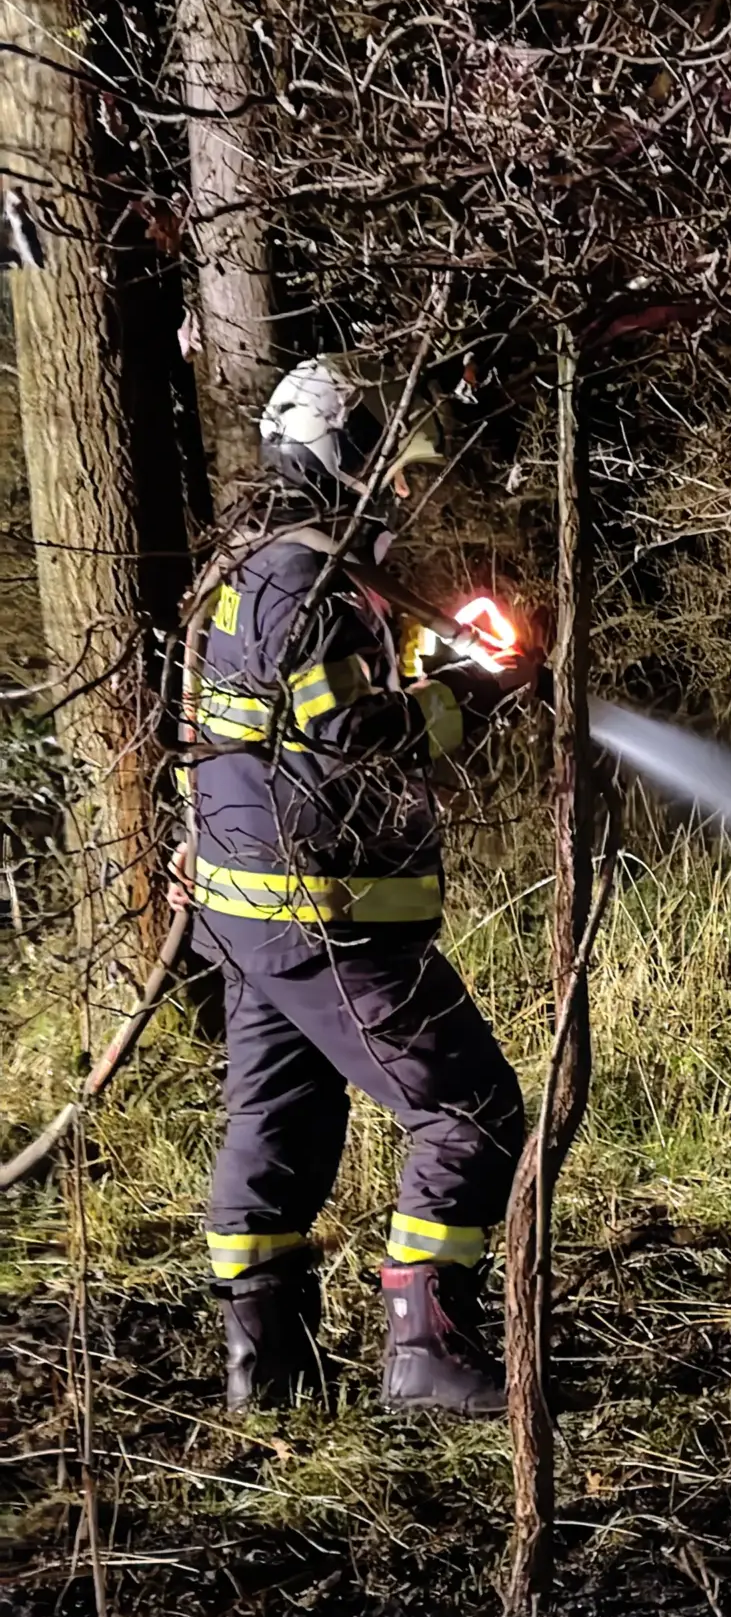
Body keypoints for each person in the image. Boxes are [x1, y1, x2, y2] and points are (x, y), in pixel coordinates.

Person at [184, 356, 535, 1414]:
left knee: (279, 1122)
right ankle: (425, 1354)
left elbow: (302, 703)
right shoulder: (312, 576)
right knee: (470, 1110)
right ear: (340, 455)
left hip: (250, 917)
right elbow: (350, 728)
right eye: (384, 470)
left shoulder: (257, 564)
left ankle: (269, 1376)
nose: (395, 493)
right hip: (325, 916)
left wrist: (434, 653)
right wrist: (469, 695)